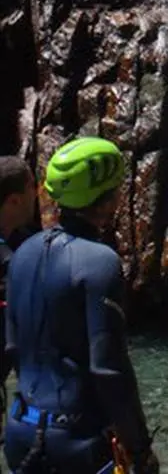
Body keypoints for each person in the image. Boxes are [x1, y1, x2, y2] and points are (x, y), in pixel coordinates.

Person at [4, 137, 160, 474]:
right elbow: (109, 369)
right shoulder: (100, 263)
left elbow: (12, 348)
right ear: (106, 197)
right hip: (78, 442)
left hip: (20, 433)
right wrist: (140, 448)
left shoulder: (21, 255)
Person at [0, 158, 37, 419]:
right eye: (32, 187)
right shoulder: (10, 261)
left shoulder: (20, 242)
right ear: (14, 200)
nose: (37, 194)